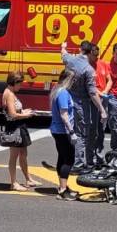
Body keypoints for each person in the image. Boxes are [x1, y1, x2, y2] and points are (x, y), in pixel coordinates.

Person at [61, 40, 106, 173]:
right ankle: (79, 164)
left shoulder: (70, 60)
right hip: (81, 103)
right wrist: (102, 110)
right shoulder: (88, 69)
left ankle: (70, 159)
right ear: (91, 52)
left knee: (70, 130)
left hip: (68, 100)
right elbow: (92, 92)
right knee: (80, 134)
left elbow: (63, 54)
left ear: (80, 49)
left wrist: (63, 46)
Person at [2, 71, 41, 192]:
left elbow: (15, 110)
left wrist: (24, 111)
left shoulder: (12, 92)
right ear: (14, 83)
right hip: (13, 127)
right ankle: (13, 183)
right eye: (20, 84)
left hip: (19, 126)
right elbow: (12, 114)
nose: (21, 86)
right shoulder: (9, 94)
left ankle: (28, 179)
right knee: (13, 156)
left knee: (23, 153)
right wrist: (26, 115)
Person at [48, 69, 79, 201]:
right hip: (63, 131)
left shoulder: (57, 90)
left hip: (57, 130)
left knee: (62, 157)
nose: (73, 83)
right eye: (72, 80)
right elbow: (64, 115)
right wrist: (71, 132)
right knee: (69, 159)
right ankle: (62, 190)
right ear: (67, 80)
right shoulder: (63, 93)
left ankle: (63, 186)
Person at [88, 44, 112, 165]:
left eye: (97, 55)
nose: (96, 57)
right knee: (92, 130)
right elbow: (89, 86)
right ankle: (90, 157)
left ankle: (99, 156)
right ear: (90, 53)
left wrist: (105, 91)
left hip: (103, 98)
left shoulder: (102, 63)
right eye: (94, 55)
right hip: (93, 100)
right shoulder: (87, 65)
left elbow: (109, 80)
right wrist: (100, 93)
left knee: (101, 129)